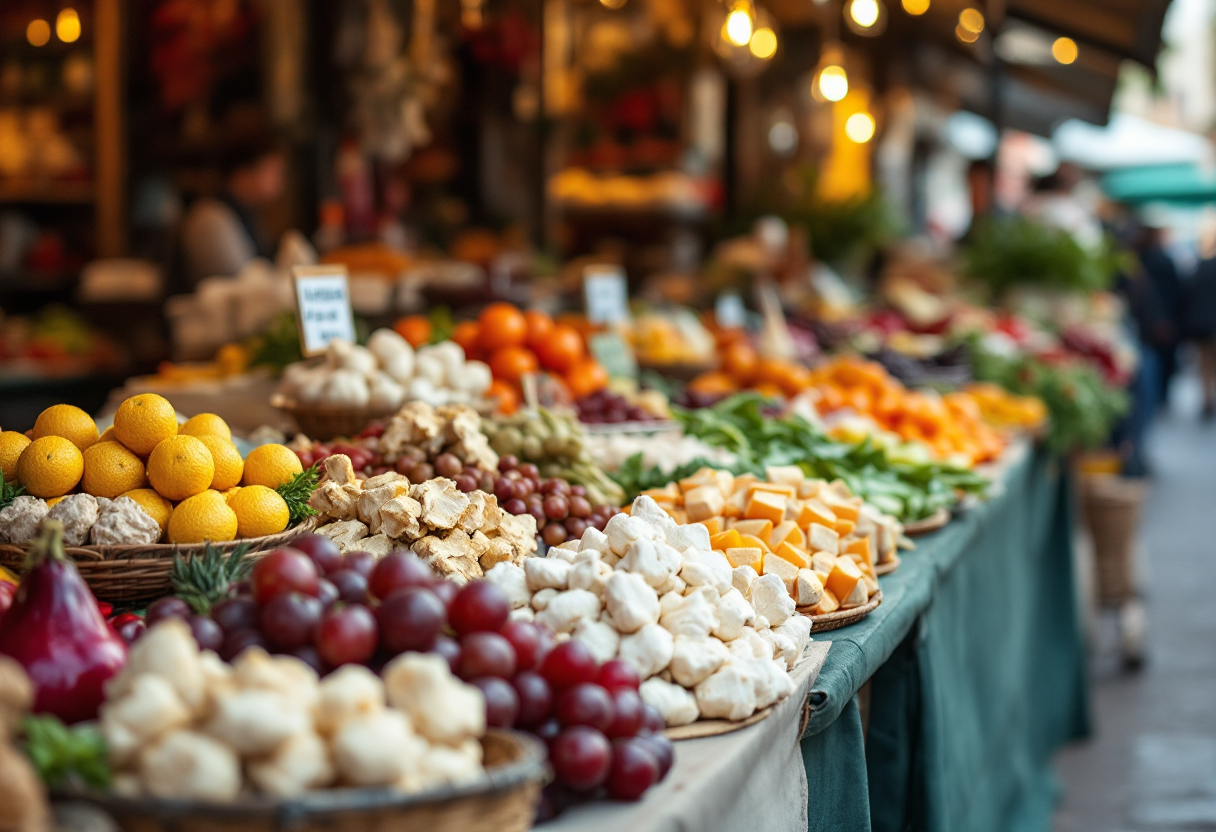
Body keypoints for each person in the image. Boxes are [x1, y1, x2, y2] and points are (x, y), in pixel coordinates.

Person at [180, 137, 285, 286]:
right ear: (242, 175)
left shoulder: (248, 214)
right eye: (272, 172)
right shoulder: (209, 218)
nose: (278, 182)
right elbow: (241, 284)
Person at [1134, 223, 1183, 408]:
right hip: (1163, 318)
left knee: (1150, 360)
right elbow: (1174, 292)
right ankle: (1160, 396)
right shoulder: (1162, 259)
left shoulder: (1139, 258)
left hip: (1147, 319)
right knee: (1161, 361)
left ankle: (1153, 398)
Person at [1187, 239, 1216, 419]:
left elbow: (1191, 292)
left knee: (1205, 364)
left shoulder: (1204, 267)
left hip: (1204, 325)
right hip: (1208, 323)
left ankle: (1207, 399)